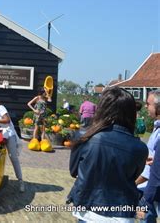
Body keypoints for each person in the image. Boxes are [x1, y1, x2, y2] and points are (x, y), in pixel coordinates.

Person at [67, 87, 148, 221]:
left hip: (88, 210)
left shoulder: (84, 137)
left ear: (102, 109)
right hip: (122, 213)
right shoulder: (140, 148)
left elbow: (74, 171)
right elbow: (133, 176)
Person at [138, 90, 160, 222]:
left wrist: (133, 183)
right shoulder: (156, 127)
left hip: (151, 189)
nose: (146, 106)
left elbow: (155, 172)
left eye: (148, 104)